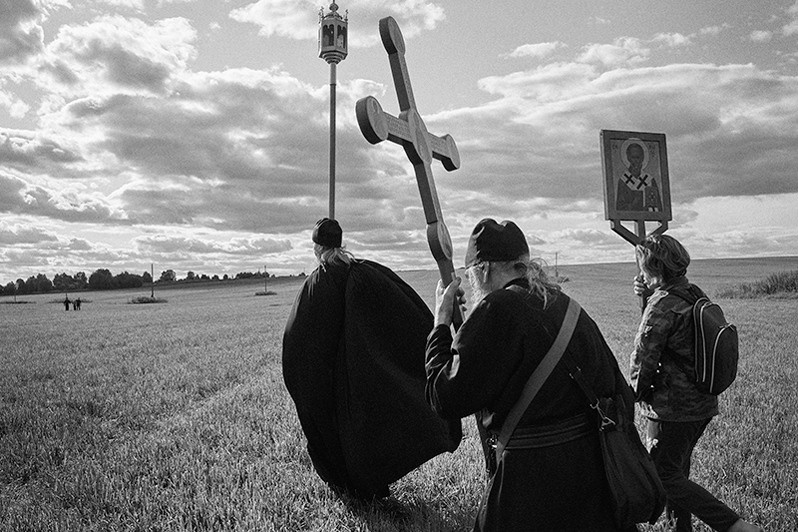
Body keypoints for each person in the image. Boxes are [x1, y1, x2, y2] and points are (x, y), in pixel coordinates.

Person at [426, 218, 635, 531]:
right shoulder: (568, 306)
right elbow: (621, 395)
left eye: (471, 275)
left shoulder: (496, 308)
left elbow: (444, 396)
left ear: (483, 270)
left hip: (527, 489)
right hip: (593, 483)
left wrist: (441, 323)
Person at [282, 218, 462, 500]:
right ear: (340, 244)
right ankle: (370, 483)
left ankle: (352, 486)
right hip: (360, 371)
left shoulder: (317, 284)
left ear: (317, 248)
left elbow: (300, 339)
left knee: (336, 429)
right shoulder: (364, 272)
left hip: (331, 377)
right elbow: (398, 308)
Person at [630, 234, 763, 532]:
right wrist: (649, 290)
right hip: (702, 403)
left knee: (662, 476)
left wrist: (632, 396)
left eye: (643, 267)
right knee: (676, 474)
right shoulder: (693, 293)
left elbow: (644, 357)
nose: (640, 273)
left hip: (671, 409)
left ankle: (736, 526)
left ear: (655, 268)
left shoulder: (662, 305)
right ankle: (681, 529)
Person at [616, 140, 662, 213]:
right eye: (633, 157)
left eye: (638, 157)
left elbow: (658, 208)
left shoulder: (650, 180)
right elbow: (619, 208)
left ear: (642, 158)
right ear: (628, 158)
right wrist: (634, 204)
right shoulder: (623, 181)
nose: (636, 161)